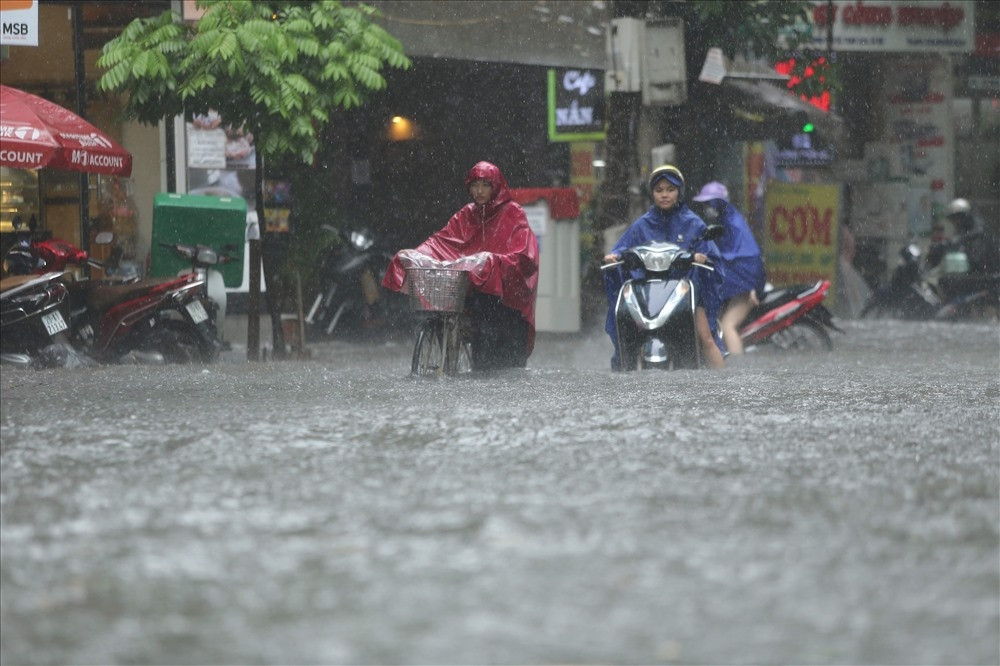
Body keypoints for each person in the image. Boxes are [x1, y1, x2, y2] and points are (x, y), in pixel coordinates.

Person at [382, 161, 539, 369]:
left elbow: (523, 254)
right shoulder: (466, 215)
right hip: (476, 293)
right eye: (475, 185)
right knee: (481, 347)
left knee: (505, 360)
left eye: (485, 185)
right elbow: (442, 241)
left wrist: (493, 262)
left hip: (506, 296)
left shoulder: (513, 213)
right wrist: (417, 255)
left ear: (496, 186)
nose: (479, 191)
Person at [603, 164, 726, 370]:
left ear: (680, 192)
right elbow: (623, 247)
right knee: (627, 329)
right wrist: (614, 257)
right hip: (648, 294)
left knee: (706, 338)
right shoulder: (642, 224)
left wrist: (702, 258)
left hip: (687, 293)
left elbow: (710, 253)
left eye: (670, 189)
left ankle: (724, 386)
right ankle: (624, 375)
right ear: (652, 194)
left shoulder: (692, 223)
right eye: (659, 190)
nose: (665, 195)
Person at [691, 181, 766, 356]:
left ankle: (738, 372)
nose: (706, 208)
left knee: (727, 326)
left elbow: (730, 258)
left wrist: (752, 288)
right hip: (746, 278)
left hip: (743, 278)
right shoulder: (729, 218)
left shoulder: (729, 223)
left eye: (709, 203)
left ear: (718, 203)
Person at [926, 198, 1000, 276]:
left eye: (956, 218)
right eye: (953, 219)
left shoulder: (978, 230)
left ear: (963, 216)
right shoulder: (962, 230)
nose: (955, 222)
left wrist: (955, 243)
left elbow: (973, 244)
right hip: (966, 276)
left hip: (983, 276)